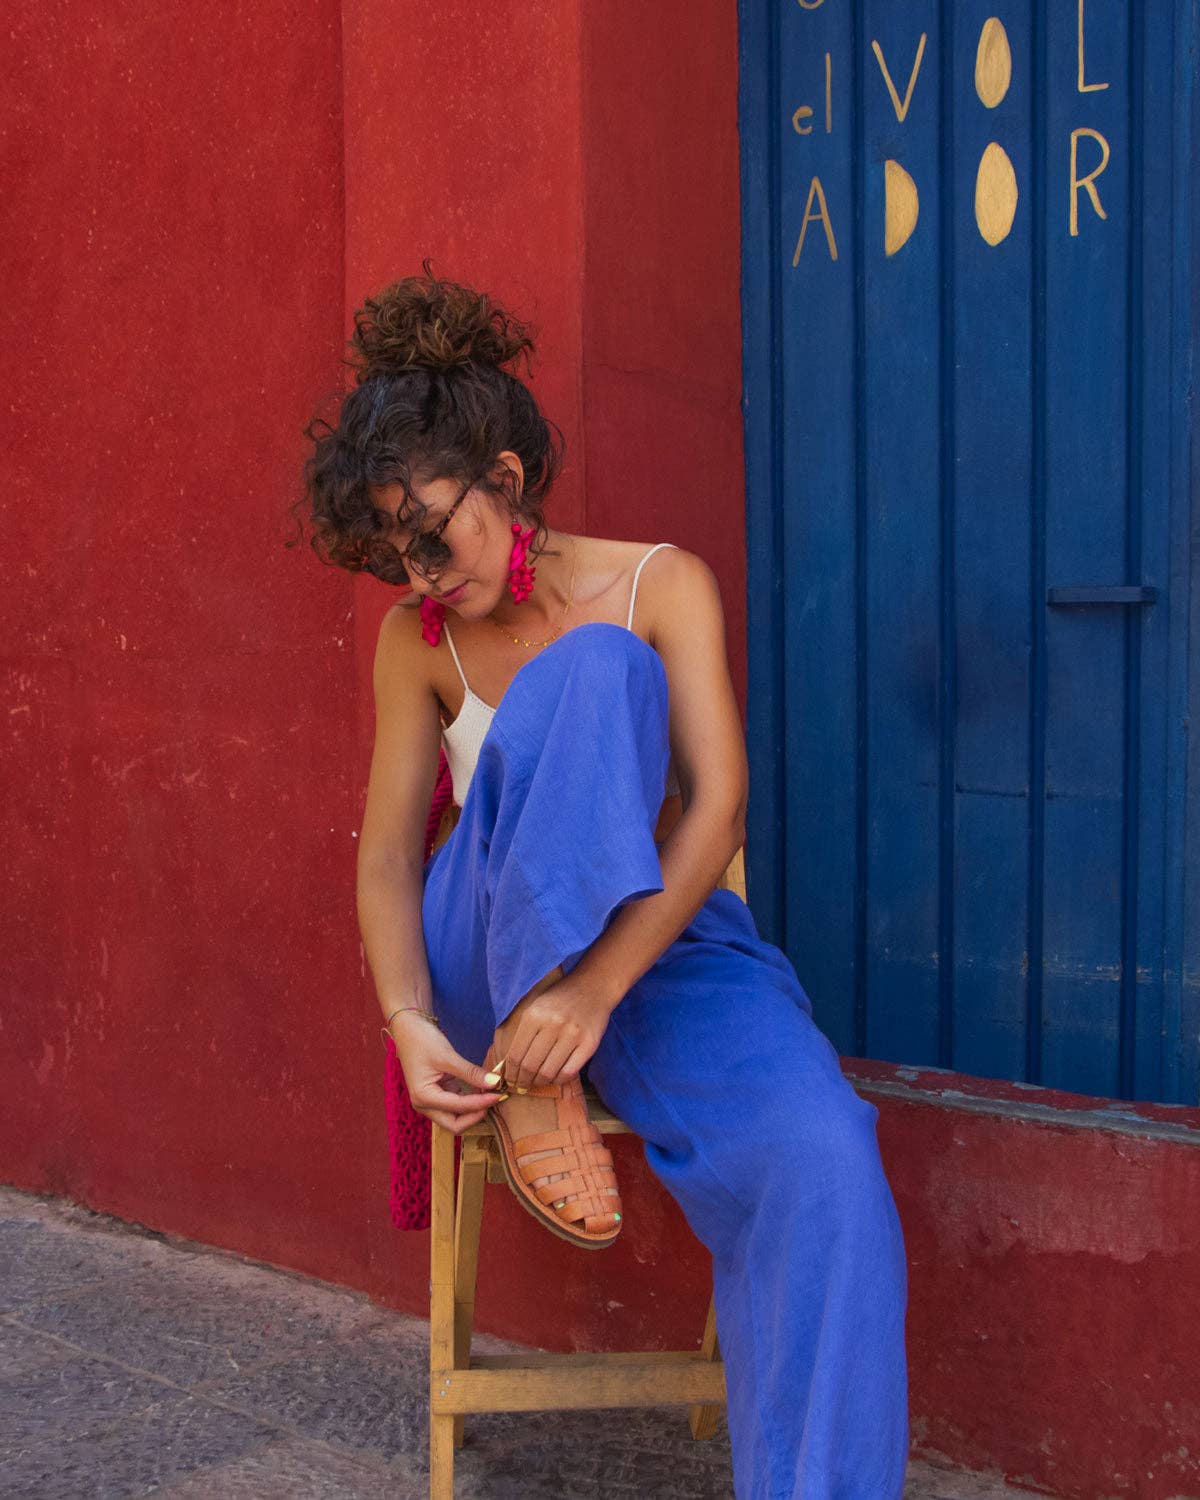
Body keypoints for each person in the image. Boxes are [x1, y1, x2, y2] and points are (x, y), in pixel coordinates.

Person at [297, 261, 910, 1499]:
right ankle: (531, 1070)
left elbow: (717, 808)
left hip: (661, 951)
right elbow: (382, 861)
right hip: (489, 940)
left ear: (506, 482)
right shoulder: (415, 645)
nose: (418, 571)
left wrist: (593, 994)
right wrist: (408, 1022)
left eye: (434, 531)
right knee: (594, 678)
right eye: (392, 549)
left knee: (827, 1157)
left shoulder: (660, 583)